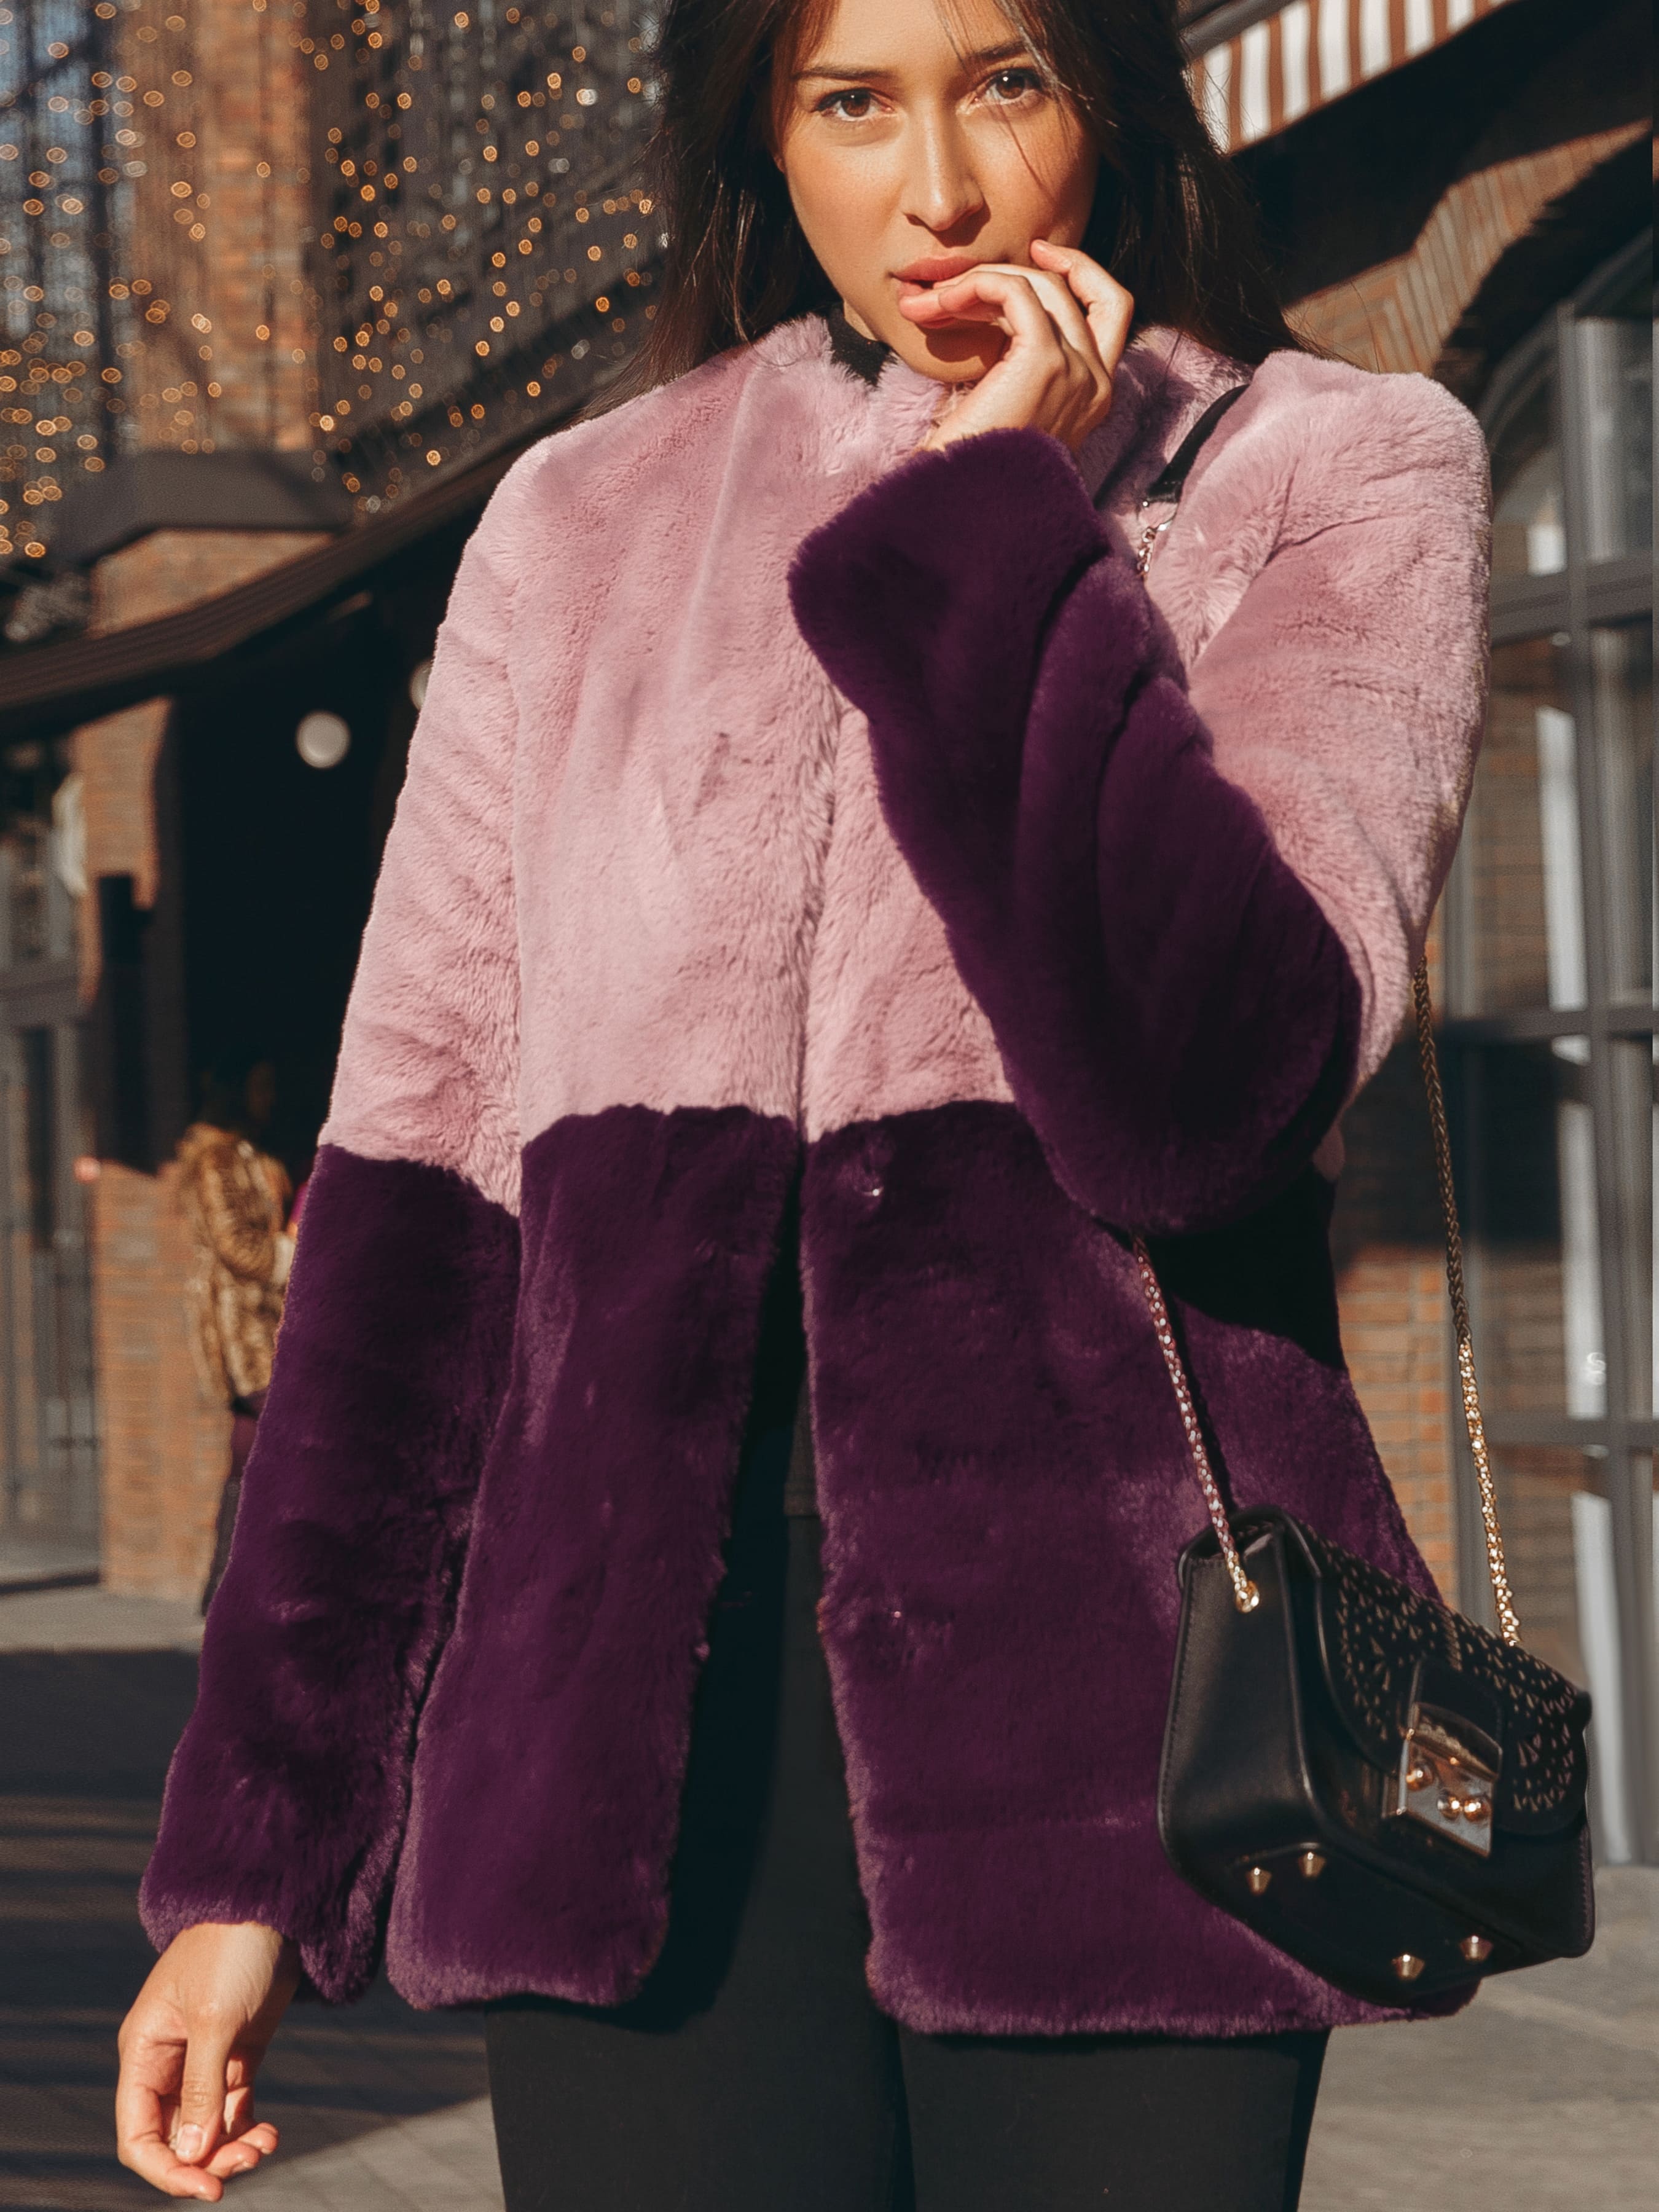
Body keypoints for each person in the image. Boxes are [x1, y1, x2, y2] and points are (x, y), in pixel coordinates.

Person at [114, 0, 1491, 2202]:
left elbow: (1197, 1104)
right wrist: (252, 1868)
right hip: (620, 1779)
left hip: (1142, 1749)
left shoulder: (1331, 468)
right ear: (766, 138)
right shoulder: (579, 523)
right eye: (853, 103)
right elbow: (411, 1228)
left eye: (1005, 84)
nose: (937, 190)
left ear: (1110, 103)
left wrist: (998, 531)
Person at [175, 1057, 294, 1615]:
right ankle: (234, 1589)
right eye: (261, 1086)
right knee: (275, 1443)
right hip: (241, 1328)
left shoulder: (250, 1153)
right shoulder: (216, 1158)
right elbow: (235, 1245)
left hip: (264, 1320)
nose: (269, 1097)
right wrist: (296, 1255)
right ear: (237, 1090)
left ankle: (223, 1591)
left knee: (248, 1456)